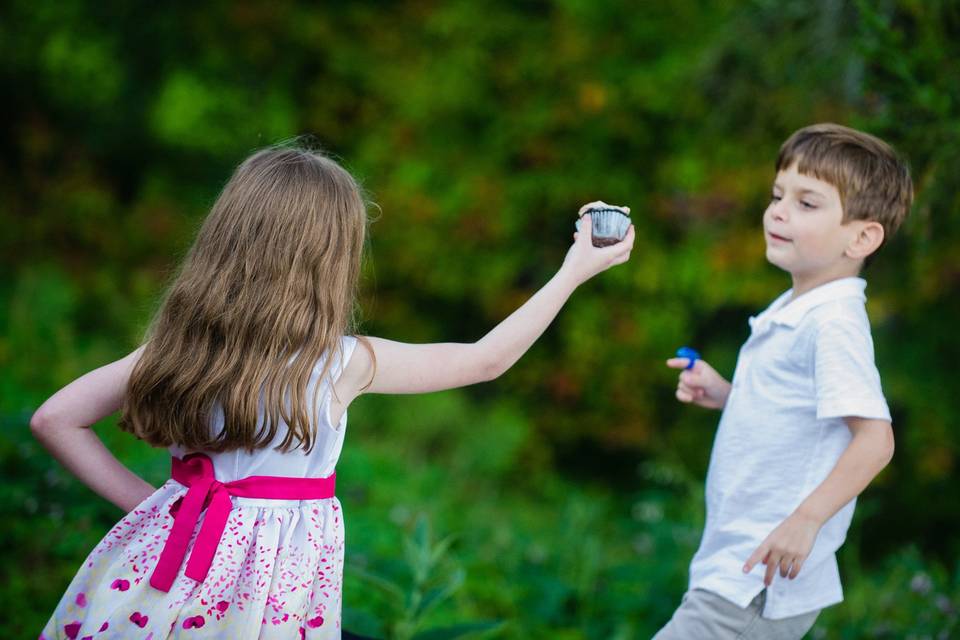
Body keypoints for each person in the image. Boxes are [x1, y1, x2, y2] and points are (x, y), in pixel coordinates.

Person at [31, 143, 634, 639]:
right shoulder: (340, 363)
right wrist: (574, 271)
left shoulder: (181, 345)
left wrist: (151, 506)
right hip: (266, 604)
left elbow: (54, 418)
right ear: (328, 258)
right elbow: (485, 360)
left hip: (157, 579)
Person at [656, 123, 913, 639]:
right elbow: (799, 419)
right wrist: (728, 394)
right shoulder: (795, 309)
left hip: (757, 580)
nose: (778, 211)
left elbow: (876, 439)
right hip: (739, 570)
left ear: (862, 236)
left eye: (807, 203)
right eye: (778, 196)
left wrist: (806, 521)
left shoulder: (832, 323)